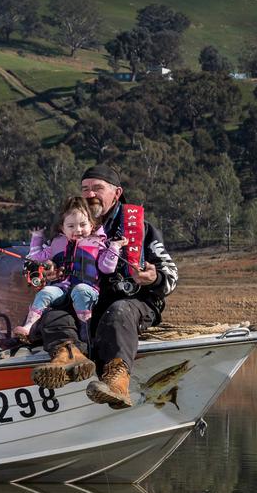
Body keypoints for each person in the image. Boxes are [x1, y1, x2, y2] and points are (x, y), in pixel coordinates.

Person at [30, 164, 178, 409]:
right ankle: (69, 357)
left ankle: (117, 383)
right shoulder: (69, 228)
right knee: (53, 313)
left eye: (97, 188)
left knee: (118, 312)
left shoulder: (140, 228)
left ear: (117, 193)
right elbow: (40, 261)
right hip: (82, 302)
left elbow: (171, 275)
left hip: (131, 305)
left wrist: (154, 278)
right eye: (85, 189)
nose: (90, 194)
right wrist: (48, 272)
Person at [13, 196, 122, 344]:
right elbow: (35, 257)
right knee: (45, 292)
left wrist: (114, 247)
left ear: (92, 225)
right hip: (61, 289)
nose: (78, 230)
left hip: (88, 289)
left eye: (83, 224)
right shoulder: (56, 243)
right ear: (62, 228)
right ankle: (28, 326)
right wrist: (37, 237)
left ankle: (86, 329)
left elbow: (107, 268)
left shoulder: (98, 243)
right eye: (71, 226)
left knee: (81, 290)